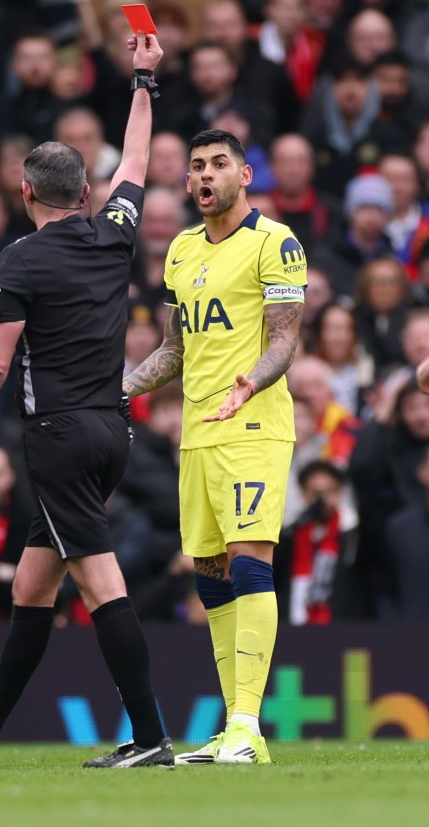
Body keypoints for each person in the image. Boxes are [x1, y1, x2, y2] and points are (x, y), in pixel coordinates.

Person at [0, 31, 170, 770]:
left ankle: (153, 737)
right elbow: (136, 157)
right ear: (87, 192)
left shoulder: (18, 259)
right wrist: (142, 78)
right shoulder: (114, 234)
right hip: (110, 430)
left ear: (24, 191)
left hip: (59, 434)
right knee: (33, 586)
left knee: (100, 583)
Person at [123, 127, 308, 765]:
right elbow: (175, 349)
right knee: (210, 575)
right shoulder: (179, 250)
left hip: (254, 424)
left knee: (250, 560)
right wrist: (121, 389)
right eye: (196, 166)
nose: (204, 175)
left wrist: (249, 383)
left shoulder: (275, 242)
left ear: (245, 175)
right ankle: (234, 728)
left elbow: (286, 340)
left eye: (218, 164)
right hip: (198, 434)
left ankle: (250, 726)